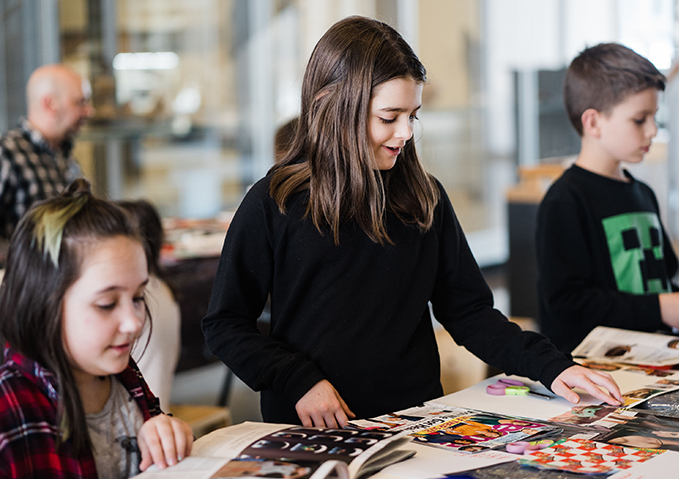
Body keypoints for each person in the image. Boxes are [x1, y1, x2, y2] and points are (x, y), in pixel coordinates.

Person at [202, 16, 622, 428]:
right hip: (310, 431)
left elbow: (470, 312)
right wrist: (296, 380)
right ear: (332, 108)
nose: (405, 132)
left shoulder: (425, 197)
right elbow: (225, 325)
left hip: (412, 423)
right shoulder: (273, 201)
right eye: (389, 117)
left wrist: (552, 367)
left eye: (413, 115)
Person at [0, 179, 192, 479]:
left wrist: (166, 432)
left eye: (138, 298)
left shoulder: (126, 376)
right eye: (106, 304)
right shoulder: (9, 409)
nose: (134, 322)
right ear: (42, 303)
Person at [536, 43, 679, 353]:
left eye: (654, 117)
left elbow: (653, 286)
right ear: (594, 122)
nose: (652, 130)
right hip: (597, 369)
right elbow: (568, 303)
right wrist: (661, 308)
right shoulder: (565, 201)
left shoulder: (643, 193)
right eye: (640, 120)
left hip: (655, 356)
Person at [0, 64, 93, 239]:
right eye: (80, 102)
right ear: (49, 104)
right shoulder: (6, 155)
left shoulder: (66, 158)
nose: (89, 111)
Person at [119, 200, 181, 413]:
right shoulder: (162, 287)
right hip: (154, 406)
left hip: (142, 412)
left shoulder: (143, 293)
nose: (131, 323)